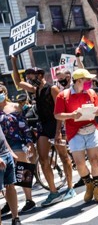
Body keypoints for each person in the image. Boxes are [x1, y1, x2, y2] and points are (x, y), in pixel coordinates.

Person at [10, 59, 74, 205]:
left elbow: (60, 111)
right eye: (29, 78)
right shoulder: (35, 90)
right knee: (44, 159)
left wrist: (58, 132)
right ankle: (53, 192)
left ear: (40, 75)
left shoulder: (52, 89)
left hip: (57, 124)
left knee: (64, 156)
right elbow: (18, 82)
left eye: (32, 77)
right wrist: (14, 62)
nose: (30, 81)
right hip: (44, 127)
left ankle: (70, 187)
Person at [54, 69, 98, 204]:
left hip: (91, 129)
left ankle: (97, 191)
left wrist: (96, 111)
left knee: (94, 160)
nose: (90, 82)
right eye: (87, 80)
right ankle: (88, 184)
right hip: (74, 132)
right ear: (79, 81)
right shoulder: (63, 95)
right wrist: (72, 115)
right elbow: (57, 115)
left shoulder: (91, 92)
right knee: (79, 164)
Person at [0, 85, 35, 214]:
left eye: (0, 91)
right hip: (2, 145)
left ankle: (29, 199)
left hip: (16, 142)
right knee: (5, 175)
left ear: (5, 92)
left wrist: (29, 141)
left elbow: (24, 126)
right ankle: (10, 202)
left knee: (23, 169)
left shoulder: (15, 107)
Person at [0, 127, 22, 225]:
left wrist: (10, 151)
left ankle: (16, 219)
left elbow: (2, 136)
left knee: (10, 186)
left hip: (6, 154)